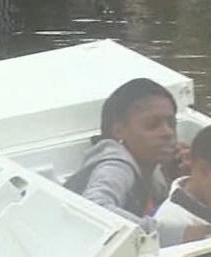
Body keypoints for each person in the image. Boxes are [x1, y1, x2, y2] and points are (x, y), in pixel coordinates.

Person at [65, 78, 181, 228]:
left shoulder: (152, 167)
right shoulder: (117, 166)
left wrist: (180, 179)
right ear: (118, 131)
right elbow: (94, 208)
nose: (168, 132)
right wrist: (165, 232)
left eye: (171, 124)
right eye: (152, 125)